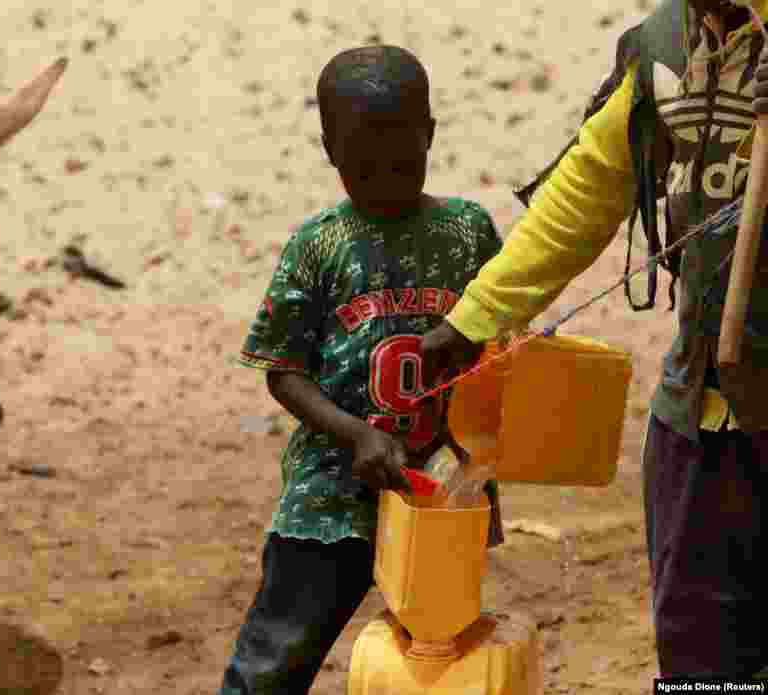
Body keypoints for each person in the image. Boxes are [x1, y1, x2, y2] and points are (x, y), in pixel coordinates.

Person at [419, 0, 768, 679]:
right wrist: (475, 318)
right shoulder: (666, 45)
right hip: (706, 412)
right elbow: (584, 193)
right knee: (703, 652)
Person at [216, 44, 505, 695]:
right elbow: (282, 370)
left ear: (429, 133)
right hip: (331, 496)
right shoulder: (318, 245)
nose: (384, 179)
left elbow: (504, 339)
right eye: (362, 166)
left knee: (436, 660)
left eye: (402, 160)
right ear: (330, 150)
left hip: (441, 493)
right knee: (274, 661)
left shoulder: (467, 233)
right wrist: (355, 434)